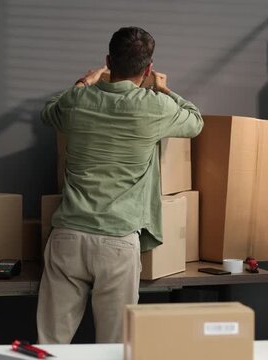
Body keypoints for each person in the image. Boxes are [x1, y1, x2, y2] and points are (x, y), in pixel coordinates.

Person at [37, 26, 203, 344]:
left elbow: (49, 113)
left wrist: (85, 81)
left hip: (68, 237)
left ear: (108, 62)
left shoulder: (78, 100)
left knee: (50, 346)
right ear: (149, 68)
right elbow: (195, 120)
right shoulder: (156, 107)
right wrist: (165, 90)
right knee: (114, 348)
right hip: (118, 241)